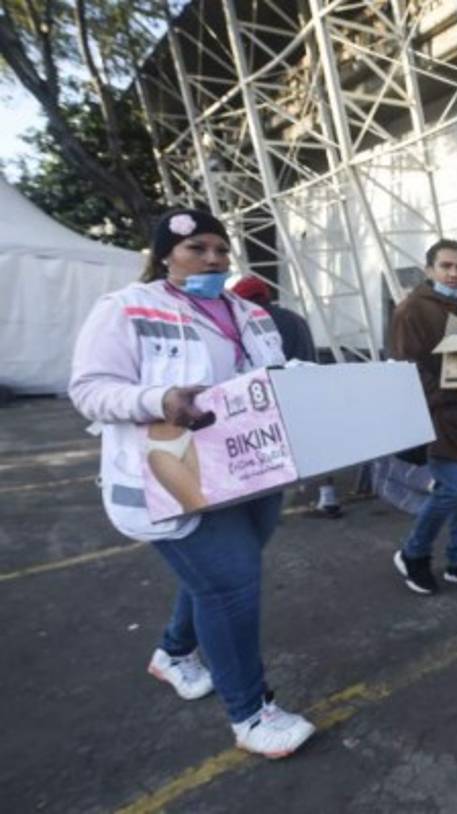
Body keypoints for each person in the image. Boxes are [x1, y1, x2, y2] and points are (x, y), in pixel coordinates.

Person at [69, 208, 316, 759]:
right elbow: (89, 389)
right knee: (231, 582)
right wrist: (158, 400)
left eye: (220, 249)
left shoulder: (249, 313)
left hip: (251, 469)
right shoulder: (127, 309)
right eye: (196, 248)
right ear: (165, 256)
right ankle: (250, 714)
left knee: (214, 578)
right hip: (173, 474)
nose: (212, 259)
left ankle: (174, 653)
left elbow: (269, 378)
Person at [389, 238, 457, 594]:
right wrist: (455, 389)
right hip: (438, 418)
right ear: (429, 270)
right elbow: (406, 371)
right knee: (451, 492)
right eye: (446, 266)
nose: (453, 273)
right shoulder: (412, 310)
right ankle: (412, 553)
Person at [231, 274, 342, 518]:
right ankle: (328, 497)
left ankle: (272, 505)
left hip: (275, 392)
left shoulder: (252, 320)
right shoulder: (296, 318)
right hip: (309, 385)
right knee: (319, 443)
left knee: (272, 447)